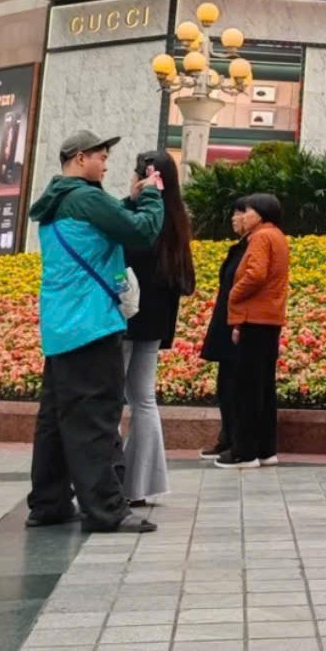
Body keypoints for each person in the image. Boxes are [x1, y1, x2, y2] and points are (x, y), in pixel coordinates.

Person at [27, 130, 163, 534]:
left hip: (61, 327)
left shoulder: (58, 200)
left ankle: (49, 504)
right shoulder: (86, 197)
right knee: (96, 419)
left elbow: (102, 223)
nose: (105, 165)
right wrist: (152, 197)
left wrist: (128, 201)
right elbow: (141, 232)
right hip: (91, 324)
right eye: (101, 157)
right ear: (80, 157)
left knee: (55, 422)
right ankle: (106, 510)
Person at [120, 151, 196, 506]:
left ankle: (105, 483)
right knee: (143, 399)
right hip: (156, 320)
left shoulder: (140, 216)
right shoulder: (177, 219)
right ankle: (139, 485)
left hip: (125, 315)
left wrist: (131, 201)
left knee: (111, 397)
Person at [216, 193, 289, 469]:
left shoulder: (260, 237)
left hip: (253, 318)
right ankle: (266, 449)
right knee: (264, 387)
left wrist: (233, 294)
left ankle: (244, 452)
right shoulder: (277, 236)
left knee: (246, 388)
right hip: (269, 319)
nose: (242, 216)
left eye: (246, 211)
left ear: (260, 214)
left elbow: (255, 274)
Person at [200, 199, 250, 462]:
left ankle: (235, 441)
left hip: (236, 324)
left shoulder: (252, 248)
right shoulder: (239, 248)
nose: (234, 218)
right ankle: (226, 437)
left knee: (234, 385)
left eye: (240, 213)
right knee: (225, 384)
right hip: (225, 321)